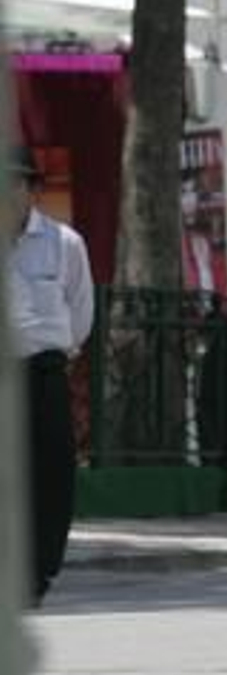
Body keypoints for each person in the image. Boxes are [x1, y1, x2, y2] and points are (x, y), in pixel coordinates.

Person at [7, 145, 95, 604]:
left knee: (50, 476)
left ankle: (38, 571)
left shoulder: (64, 244)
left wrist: (57, 352)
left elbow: (80, 311)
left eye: (15, 183)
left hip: (44, 372)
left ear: (31, 190)